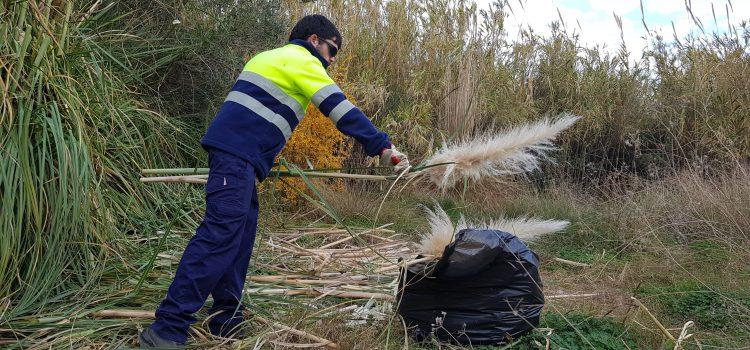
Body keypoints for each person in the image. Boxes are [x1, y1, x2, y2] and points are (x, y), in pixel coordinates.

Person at [138, 14, 409, 348]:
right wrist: (382, 146)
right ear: (313, 41)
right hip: (237, 159)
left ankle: (227, 319)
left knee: (237, 240)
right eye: (332, 49)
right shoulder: (301, 61)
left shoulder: (268, 57)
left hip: (240, 160)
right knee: (220, 236)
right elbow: (341, 110)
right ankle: (167, 328)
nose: (332, 60)